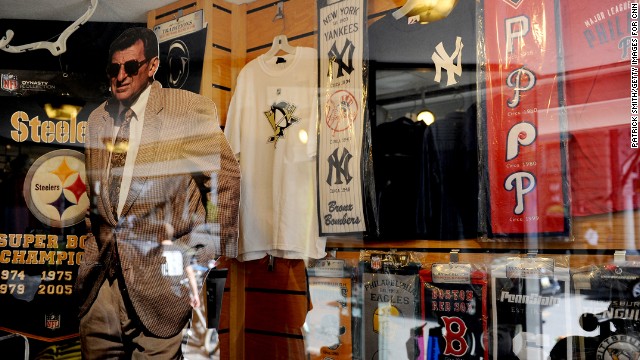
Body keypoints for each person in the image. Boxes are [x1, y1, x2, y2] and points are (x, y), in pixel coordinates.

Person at [74, 27, 240, 359]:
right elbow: (99, 199)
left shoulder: (186, 110)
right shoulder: (97, 119)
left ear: (152, 67)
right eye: (114, 68)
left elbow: (224, 180)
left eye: (131, 67)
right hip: (99, 290)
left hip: (160, 291)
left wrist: (198, 257)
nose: (120, 77)